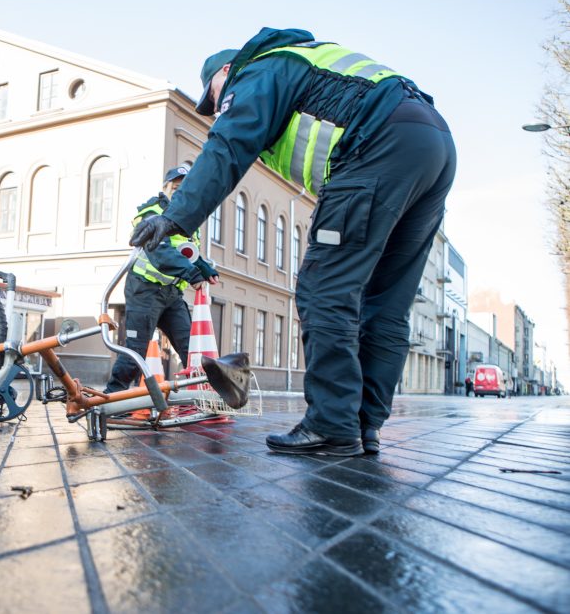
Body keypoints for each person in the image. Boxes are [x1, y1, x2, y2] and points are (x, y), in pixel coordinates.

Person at [131, 28, 456, 456]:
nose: (215, 111)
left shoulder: (258, 70)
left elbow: (225, 149)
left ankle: (331, 426)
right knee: (385, 301)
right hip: (433, 144)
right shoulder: (305, 65)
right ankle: (364, 425)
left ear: (227, 71)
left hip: (376, 143)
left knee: (325, 289)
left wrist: (175, 217)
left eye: (213, 98)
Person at [105, 164, 219, 394]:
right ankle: (112, 397)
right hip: (144, 291)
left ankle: (203, 396)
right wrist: (192, 274)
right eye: (174, 186)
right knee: (135, 351)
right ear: (165, 187)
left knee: (191, 346)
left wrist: (205, 268)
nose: (179, 190)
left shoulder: (186, 220)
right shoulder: (151, 213)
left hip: (171, 294)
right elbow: (160, 252)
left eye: (184, 186)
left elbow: (188, 251)